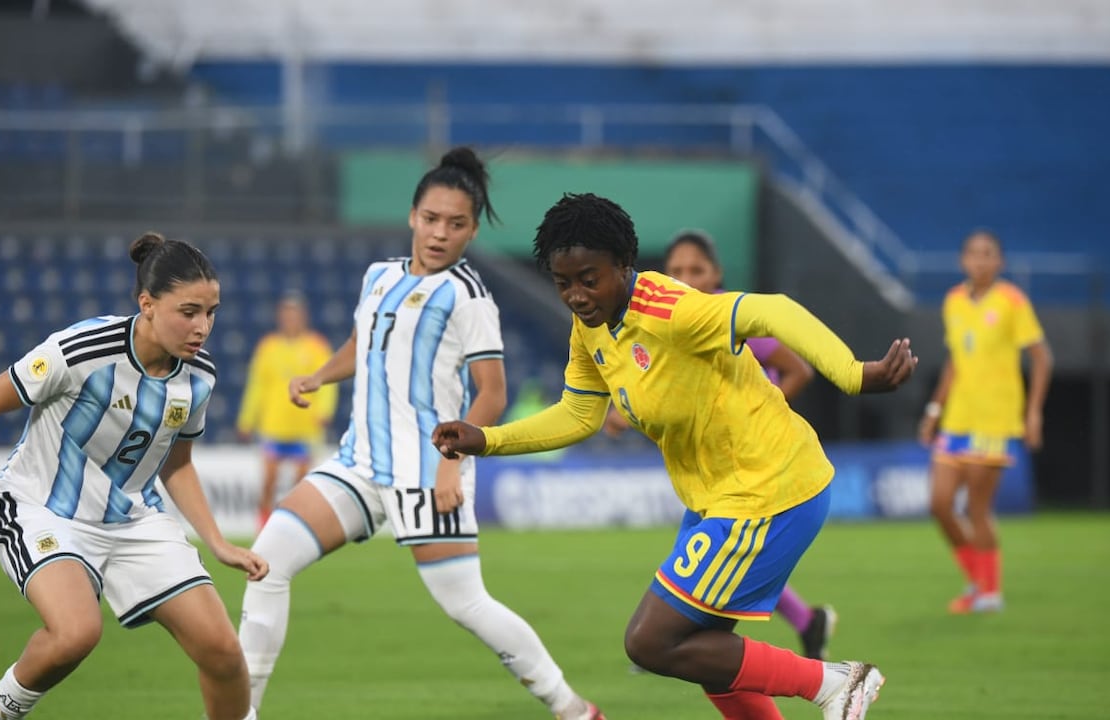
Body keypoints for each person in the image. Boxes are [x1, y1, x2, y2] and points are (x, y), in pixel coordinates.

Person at [432, 193, 918, 720]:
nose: (575, 295)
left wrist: (852, 373)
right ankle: (831, 684)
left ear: (624, 266)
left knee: (651, 642)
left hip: (769, 488)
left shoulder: (672, 311)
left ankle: (836, 683)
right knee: (704, 653)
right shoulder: (591, 326)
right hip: (715, 498)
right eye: (563, 281)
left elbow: (772, 310)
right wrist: (486, 439)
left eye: (588, 278)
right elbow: (579, 414)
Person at [237, 148, 604, 720]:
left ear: (471, 230)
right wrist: (318, 374)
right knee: (267, 561)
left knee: (466, 604)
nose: (440, 233)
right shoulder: (379, 276)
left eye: (455, 224)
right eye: (431, 219)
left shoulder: (468, 297)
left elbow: (492, 393)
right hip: (358, 465)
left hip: (425, 472)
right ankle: (241, 714)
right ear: (412, 216)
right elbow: (366, 343)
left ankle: (573, 709)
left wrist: (450, 465)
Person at [0, 232, 269, 720]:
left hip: (133, 520)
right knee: (76, 634)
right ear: (147, 304)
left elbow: (176, 464)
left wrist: (217, 542)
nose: (202, 326)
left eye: (211, 312)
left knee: (224, 654)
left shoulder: (198, 376)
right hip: (42, 509)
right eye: (189, 312)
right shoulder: (82, 349)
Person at [608, 229, 836, 661]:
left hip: (756, 470)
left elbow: (798, 369)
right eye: (676, 270)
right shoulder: (662, 321)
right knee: (715, 588)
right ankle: (806, 623)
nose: (686, 278)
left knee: (715, 582)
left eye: (696, 269)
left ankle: (666, 636)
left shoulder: (729, 315)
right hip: (710, 474)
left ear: (717, 274)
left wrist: (762, 415)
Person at [917, 229, 1052, 614]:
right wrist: (933, 411)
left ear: (1000, 262)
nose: (980, 260)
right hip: (957, 420)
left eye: (988, 254)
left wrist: (1033, 411)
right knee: (940, 505)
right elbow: (955, 362)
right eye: (973, 254)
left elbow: (1042, 358)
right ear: (963, 261)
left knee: (977, 509)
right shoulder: (954, 301)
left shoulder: (1012, 301)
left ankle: (989, 593)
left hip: (994, 422)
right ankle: (977, 581)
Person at [236, 292, 338, 530]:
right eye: (286, 315)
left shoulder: (317, 346)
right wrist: (247, 419)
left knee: (301, 482)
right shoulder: (268, 346)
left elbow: (327, 381)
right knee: (269, 480)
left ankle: (292, 525)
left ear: (303, 317)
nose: (290, 320)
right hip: (274, 425)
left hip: (305, 425)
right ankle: (263, 524)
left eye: (295, 315)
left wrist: (324, 410)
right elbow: (257, 385)